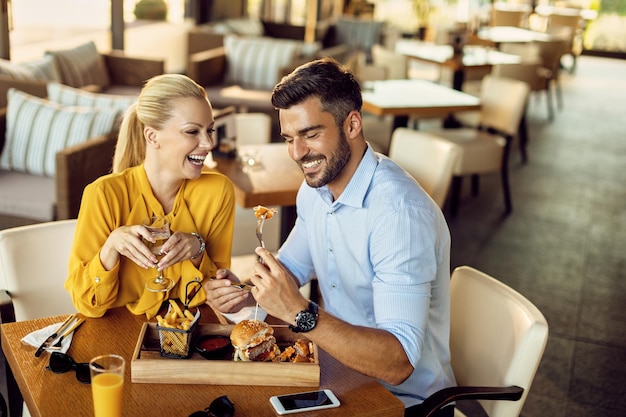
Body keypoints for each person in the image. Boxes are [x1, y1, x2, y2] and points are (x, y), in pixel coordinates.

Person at [204, 58, 456, 415]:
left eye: (310, 134)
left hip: (403, 402)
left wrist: (299, 312)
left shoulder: (399, 216)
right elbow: (290, 269)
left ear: (352, 123)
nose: (297, 153)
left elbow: (398, 363)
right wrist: (244, 291)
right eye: (289, 138)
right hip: (338, 373)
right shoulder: (315, 193)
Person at [65, 74, 235, 319]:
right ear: (152, 136)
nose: (208, 143)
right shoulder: (103, 194)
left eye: (210, 130)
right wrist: (111, 247)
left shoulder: (218, 191)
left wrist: (198, 249)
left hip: (187, 330)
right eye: (192, 131)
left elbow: (214, 288)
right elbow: (87, 304)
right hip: (115, 330)